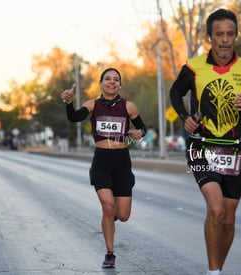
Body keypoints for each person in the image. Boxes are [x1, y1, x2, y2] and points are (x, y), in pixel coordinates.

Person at [169, 9, 241, 275]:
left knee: (227, 218)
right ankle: (213, 272)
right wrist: (185, 117)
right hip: (201, 146)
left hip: (237, 151)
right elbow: (175, 93)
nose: (225, 40)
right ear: (209, 37)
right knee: (214, 207)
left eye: (230, 34)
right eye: (219, 34)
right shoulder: (193, 67)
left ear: (236, 36)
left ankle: (218, 268)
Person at [60, 68, 147, 269]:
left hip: (122, 161)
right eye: (107, 79)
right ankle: (110, 253)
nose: (111, 82)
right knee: (107, 206)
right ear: (101, 83)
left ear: (120, 84)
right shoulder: (92, 105)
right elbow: (73, 117)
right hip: (101, 162)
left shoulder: (128, 106)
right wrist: (68, 101)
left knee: (123, 216)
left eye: (116, 79)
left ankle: (112, 215)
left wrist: (138, 132)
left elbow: (143, 128)